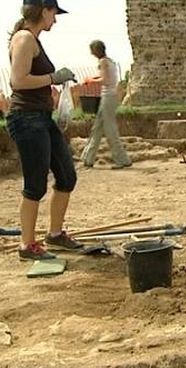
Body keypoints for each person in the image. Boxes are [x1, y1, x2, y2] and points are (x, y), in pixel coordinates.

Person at [6, 0, 82, 260]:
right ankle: (27, 246)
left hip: (41, 117)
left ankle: (55, 234)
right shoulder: (25, 38)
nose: (55, 20)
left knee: (67, 176)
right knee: (35, 184)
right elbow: (17, 80)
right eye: (54, 13)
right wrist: (53, 77)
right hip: (26, 119)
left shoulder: (33, 40)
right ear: (43, 10)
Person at [80, 40, 132, 169]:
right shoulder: (110, 62)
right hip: (110, 96)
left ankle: (122, 160)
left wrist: (90, 81)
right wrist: (93, 79)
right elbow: (104, 77)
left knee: (110, 129)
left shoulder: (103, 62)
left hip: (108, 96)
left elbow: (105, 80)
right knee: (97, 127)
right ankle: (88, 158)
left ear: (97, 50)